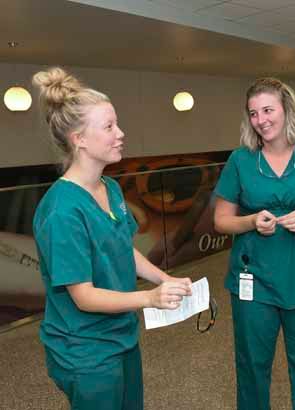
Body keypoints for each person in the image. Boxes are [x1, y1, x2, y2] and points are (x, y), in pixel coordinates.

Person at [32, 67, 193, 410]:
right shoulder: (62, 211)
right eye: (109, 127)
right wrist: (150, 298)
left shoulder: (111, 188)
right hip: (86, 351)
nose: (120, 134)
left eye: (117, 123)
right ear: (79, 139)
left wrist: (165, 279)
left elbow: (123, 250)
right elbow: (84, 297)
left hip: (121, 336)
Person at [214, 77, 295, 410]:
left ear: (287, 110)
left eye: (268, 110)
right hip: (253, 281)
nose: (261, 120)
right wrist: (251, 221)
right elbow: (221, 220)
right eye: (254, 113)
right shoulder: (240, 161)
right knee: (252, 367)